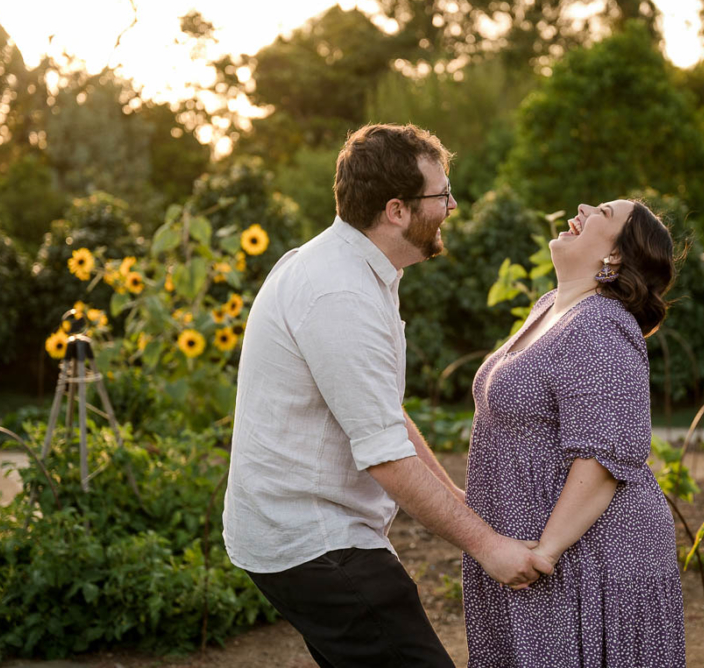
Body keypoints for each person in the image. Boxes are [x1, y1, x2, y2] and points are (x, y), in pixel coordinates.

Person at [223, 123, 553, 667]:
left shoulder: (355, 270)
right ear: (396, 209)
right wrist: (489, 547)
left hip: (312, 533)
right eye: (441, 194)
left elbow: (383, 416)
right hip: (314, 543)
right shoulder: (340, 292)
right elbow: (385, 457)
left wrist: (463, 507)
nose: (452, 205)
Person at [463, 199, 686, 667]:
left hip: (591, 561)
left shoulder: (601, 324)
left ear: (617, 257)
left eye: (602, 212)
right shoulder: (552, 306)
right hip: (542, 554)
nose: (582, 206)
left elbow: (603, 462)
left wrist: (544, 553)